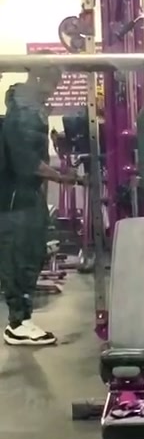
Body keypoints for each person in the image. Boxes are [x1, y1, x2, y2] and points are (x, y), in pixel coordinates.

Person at [0, 65, 81, 347]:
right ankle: (18, 324)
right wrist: (62, 176)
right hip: (17, 202)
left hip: (25, 198)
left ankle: (21, 320)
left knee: (30, 256)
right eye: (51, 82)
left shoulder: (30, 109)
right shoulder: (23, 112)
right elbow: (27, 162)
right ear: (36, 77)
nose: (53, 89)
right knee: (21, 259)